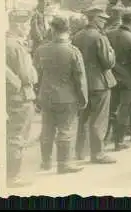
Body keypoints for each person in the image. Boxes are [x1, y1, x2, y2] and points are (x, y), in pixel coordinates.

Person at [33, 16, 88, 174]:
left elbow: (35, 75)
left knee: (47, 128)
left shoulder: (41, 50)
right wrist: (83, 98)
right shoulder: (73, 51)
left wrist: (38, 95)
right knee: (65, 129)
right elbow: (80, 79)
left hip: (46, 95)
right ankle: (64, 164)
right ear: (68, 31)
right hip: (67, 97)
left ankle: (46, 161)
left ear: (52, 30)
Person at [73, 6, 117, 164]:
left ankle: (80, 151)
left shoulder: (77, 35)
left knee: (83, 118)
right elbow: (107, 62)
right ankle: (97, 153)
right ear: (96, 20)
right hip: (100, 82)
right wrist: (112, 52)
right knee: (99, 119)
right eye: (103, 20)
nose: (104, 23)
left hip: (83, 83)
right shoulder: (100, 37)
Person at [5, 9, 38, 187]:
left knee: (14, 136)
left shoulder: (7, 42)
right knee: (17, 137)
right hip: (21, 97)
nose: (28, 28)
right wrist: (34, 76)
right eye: (26, 24)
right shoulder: (16, 46)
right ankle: (12, 177)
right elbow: (27, 76)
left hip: (15, 96)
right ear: (18, 25)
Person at [106, 7, 131, 150]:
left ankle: (106, 138)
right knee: (124, 109)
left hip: (110, 77)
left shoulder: (108, 34)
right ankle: (119, 140)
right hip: (127, 80)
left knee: (111, 108)